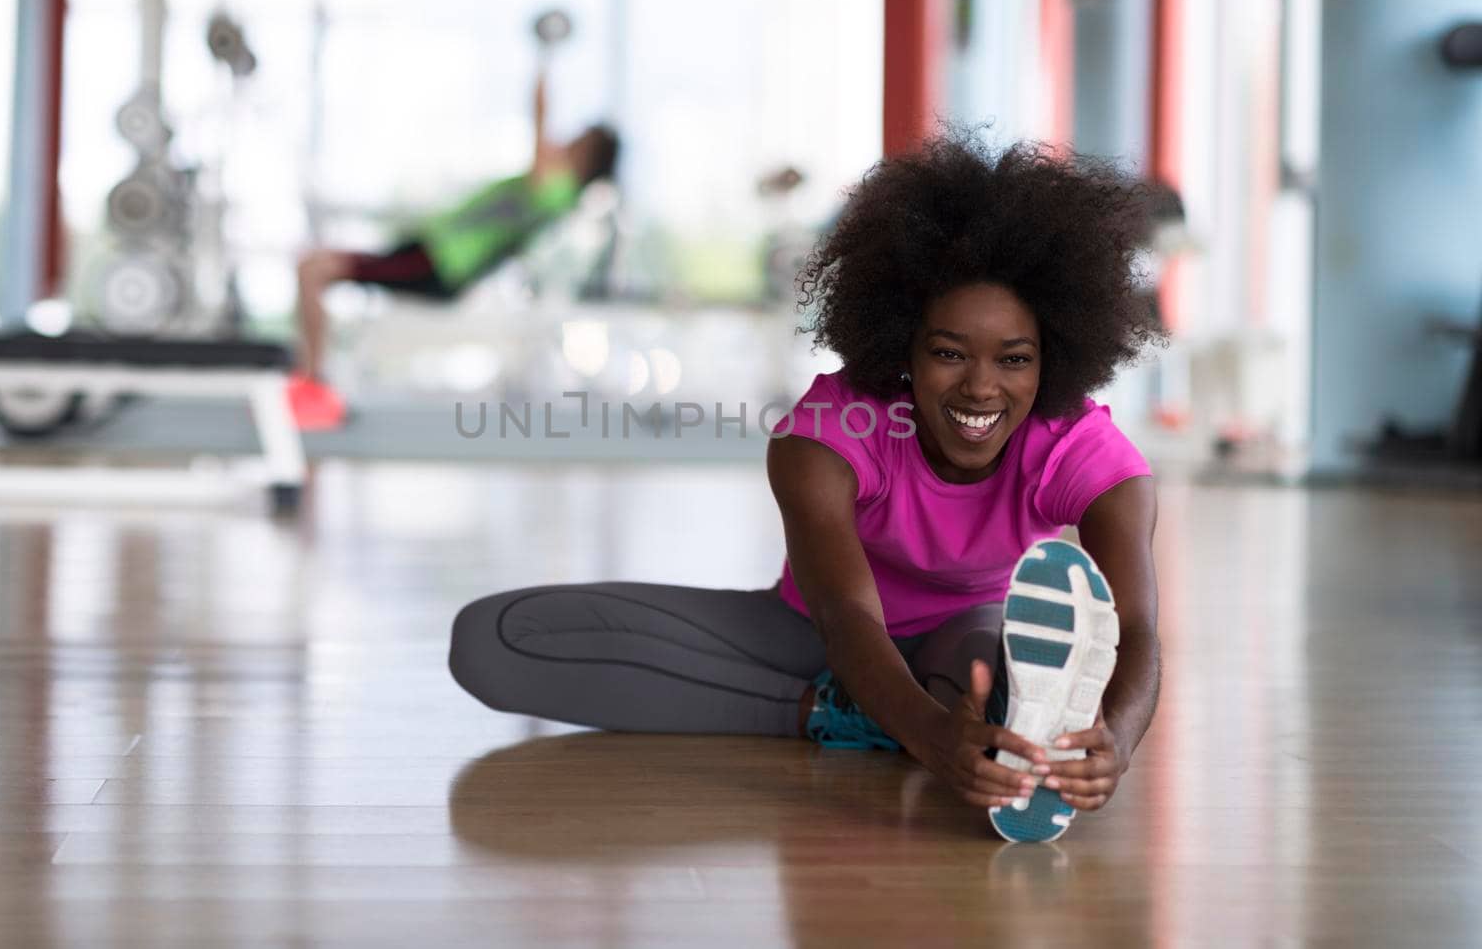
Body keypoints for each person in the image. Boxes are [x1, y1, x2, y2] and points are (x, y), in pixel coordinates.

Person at [447, 130, 1165, 843]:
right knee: (494, 642)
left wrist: (1121, 740)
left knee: (985, 668)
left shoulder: (1080, 449)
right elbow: (846, 616)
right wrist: (926, 735)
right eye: (948, 353)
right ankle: (851, 717)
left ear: (1053, 362)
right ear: (904, 349)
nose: (981, 386)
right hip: (809, 634)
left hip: (966, 636)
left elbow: (1136, 627)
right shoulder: (825, 433)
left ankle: (975, 720)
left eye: (1014, 359)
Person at [288, 70, 620, 429]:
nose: (567, 140)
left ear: (588, 155)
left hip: (441, 263)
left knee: (313, 270)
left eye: (579, 139)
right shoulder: (558, 189)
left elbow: (540, 159)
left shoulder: (559, 190)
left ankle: (313, 385)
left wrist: (541, 99)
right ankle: (312, 380)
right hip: (431, 254)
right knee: (313, 269)